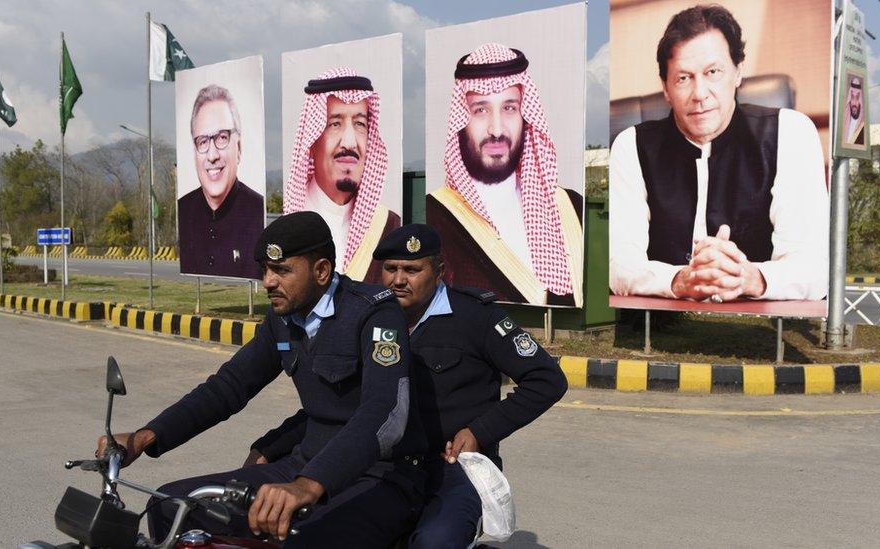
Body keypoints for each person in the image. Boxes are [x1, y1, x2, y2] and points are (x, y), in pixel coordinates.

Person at [96, 211, 427, 547]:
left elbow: (384, 411)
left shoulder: (374, 314)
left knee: (303, 539)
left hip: (379, 475)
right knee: (171, 505)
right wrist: (145, 437)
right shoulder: (283, 318)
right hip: (304, 463)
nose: (268, 281)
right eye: (265, 270)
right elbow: (229, 386)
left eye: (281, 270)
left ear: (322, 271)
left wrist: (309, 484)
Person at [249, 224, 568, 548]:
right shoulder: (364, 317)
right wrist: (273, 445)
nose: (399, 279)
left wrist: (478, 432)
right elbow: (336, 405)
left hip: (451, 467)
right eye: (390, 269)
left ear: (439, 271)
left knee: (436, 542)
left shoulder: (476, 317)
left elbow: (547, 379)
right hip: (382, 465)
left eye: (412, 270)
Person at [609, 4, 829, 302]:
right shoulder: (631, 146)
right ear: (665, 87)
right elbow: (617, 266)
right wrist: (679, 280)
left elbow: (814, 269)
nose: (700, 94)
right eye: (683, 78)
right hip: (660, 327)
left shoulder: (791, 132)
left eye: (713, 72)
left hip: (761, 330)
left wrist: (752, 278)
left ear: (738, 72)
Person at [426, 43, 585, 307]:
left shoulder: (571, 206)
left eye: (509, 108)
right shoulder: (435, 216)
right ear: (461, 120)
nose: (497, 129)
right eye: (481, 110)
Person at [284, 67, 400, 283]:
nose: (349, 142)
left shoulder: (388, 224)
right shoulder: (289, 226)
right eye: (334, 124)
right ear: (312, 141)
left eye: (359, 124)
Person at [178, 84, 264, 278]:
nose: (212, 155)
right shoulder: (182, 209)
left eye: (222, 137)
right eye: (203, 142)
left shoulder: (258, 211)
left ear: (239, 147)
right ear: (194, 152)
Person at [844, 74, 865, 146]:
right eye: (852, 97)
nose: (854, 103)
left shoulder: (863, 126)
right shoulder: (844, 122)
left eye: (857, 98)